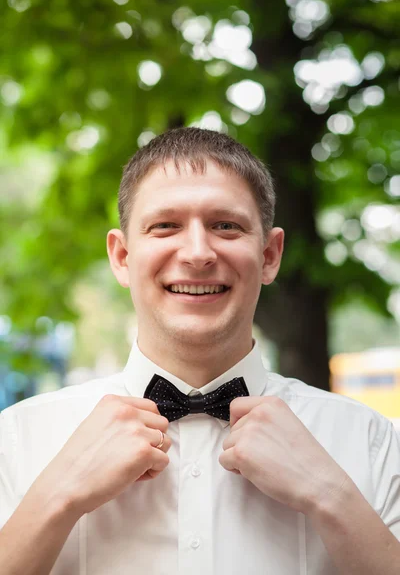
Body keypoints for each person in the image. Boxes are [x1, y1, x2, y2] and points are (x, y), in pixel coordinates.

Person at [0, 127, 399, 575]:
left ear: (269, 255)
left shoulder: (372, 442)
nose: (197, 253)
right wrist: (59, 494)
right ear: (122, 257)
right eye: (165, 225)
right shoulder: (16, 440)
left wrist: (332, 496)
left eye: (225, 225)